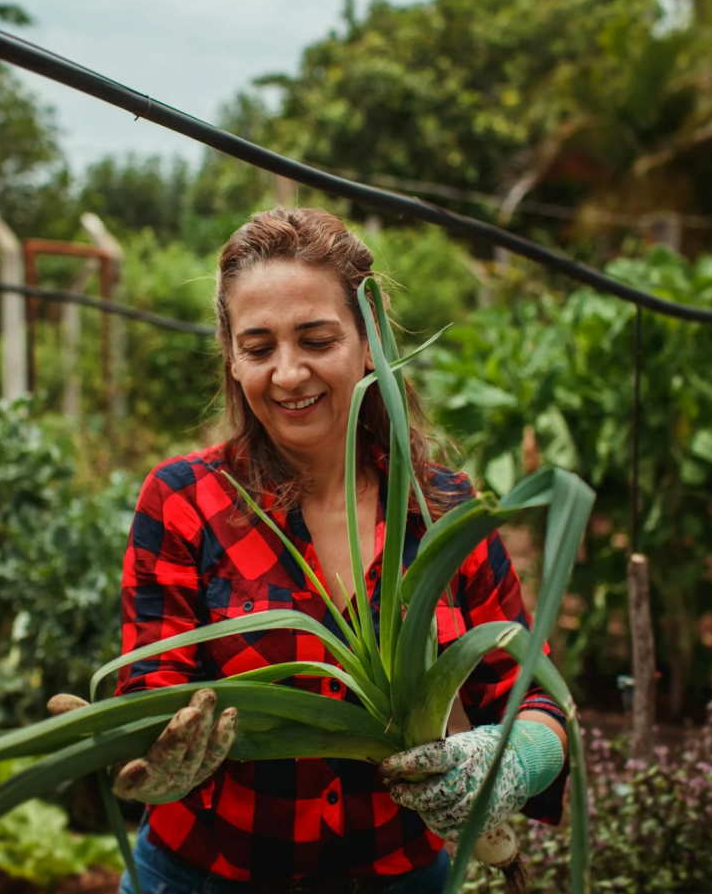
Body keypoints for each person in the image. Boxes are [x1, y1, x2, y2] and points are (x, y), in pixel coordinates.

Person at [55, 208, 568, 894]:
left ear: (368, 341)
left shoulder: (443, 509)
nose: (289, 373)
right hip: (205, 876)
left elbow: (532, 694)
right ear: (232, 360)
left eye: (316, 338)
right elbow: (156, 687)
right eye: (259, 347)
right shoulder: (184, 499)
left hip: (396, 878)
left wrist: (512, 759)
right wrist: (154, 741)